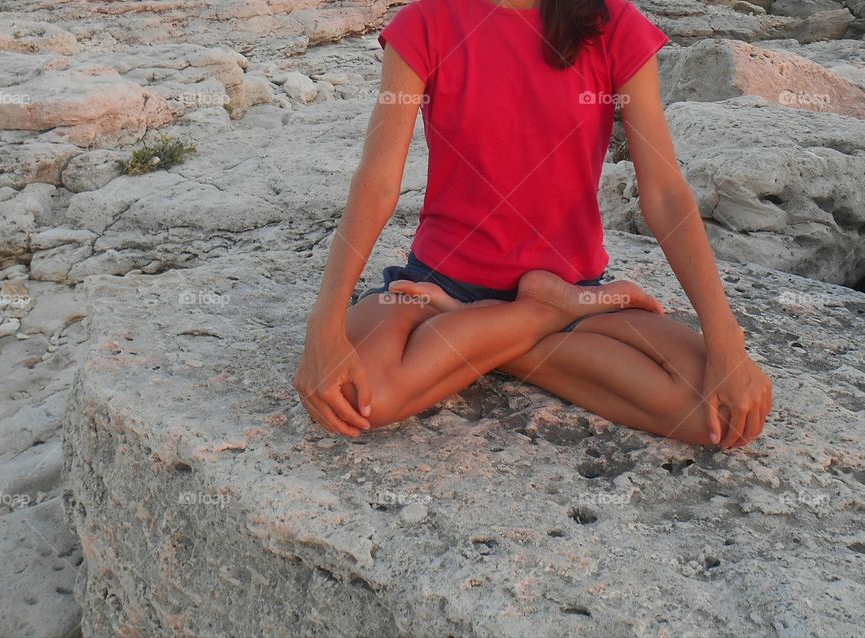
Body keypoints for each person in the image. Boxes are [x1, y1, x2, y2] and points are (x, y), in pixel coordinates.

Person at [294, 0, 773, 448]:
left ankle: (501, 325)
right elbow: (377, 180)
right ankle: (544, 313)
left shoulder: (614, 23)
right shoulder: (428, 20)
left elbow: (666, 193)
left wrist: (727, 340)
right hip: (434, 290)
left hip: (574, 297)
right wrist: (325, 324)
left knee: (720, 416)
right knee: (361, 400)